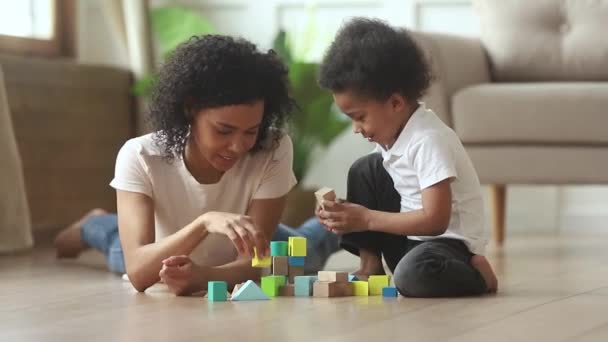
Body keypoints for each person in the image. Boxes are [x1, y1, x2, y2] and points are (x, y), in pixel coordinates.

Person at [54, 34, 339, 295]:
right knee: (117, 244)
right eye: (224, 131)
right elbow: (140, 272)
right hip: (165, 246)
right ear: (190, 108)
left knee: (310, 246)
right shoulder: (140, 155)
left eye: (251, 131)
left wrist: (203, 277)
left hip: (247, 240)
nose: (238, 146)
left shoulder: (273, 147)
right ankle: (92, 222)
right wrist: (204, 222)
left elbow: (254, 265)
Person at [316, 18, 498, 297]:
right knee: (365, 168)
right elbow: (383, 193)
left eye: (360, 117)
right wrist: (343, 212)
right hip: (411, 239)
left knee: (413, 275)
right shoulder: (395, 135)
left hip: (449, 246)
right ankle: (370, 266)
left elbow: (436, 221)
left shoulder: (428, 139)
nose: (356, 129)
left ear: (396, 103)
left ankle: (478, 276)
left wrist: (365, 219)